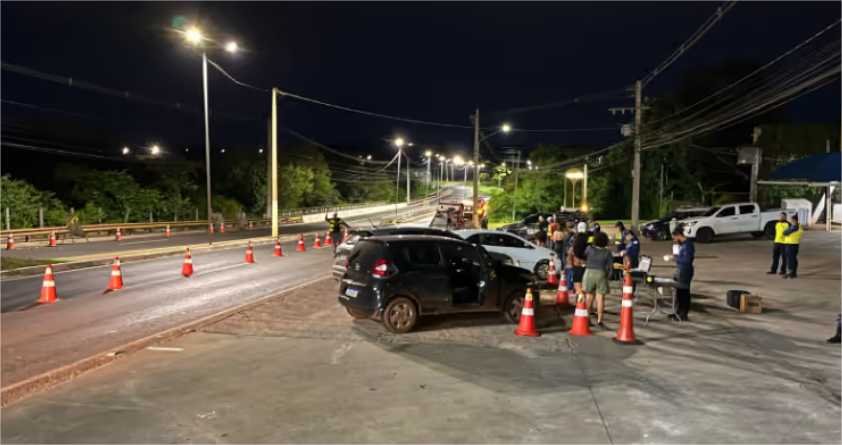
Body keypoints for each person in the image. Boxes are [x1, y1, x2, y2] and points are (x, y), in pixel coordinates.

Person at [583, 232, 613, 329]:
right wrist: (608, 276)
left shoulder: (589, 249)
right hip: (601, 273)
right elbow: (610, 266)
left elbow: (585, 255)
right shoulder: (607, 252)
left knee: (589, 296)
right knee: (600, 299)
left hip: (589, 273)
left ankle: (586, 319)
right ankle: (600, 320)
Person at [670, 226, 695, 321]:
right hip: (681, 270)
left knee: (684, 292)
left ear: (679, 235)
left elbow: (687, 260)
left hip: (685, 271)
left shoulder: (688, 245)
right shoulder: (683, 245)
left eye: (675, 238)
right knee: (679, 292)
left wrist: (674, 258)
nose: (675, 240)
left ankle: (683, 314)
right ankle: (677, 312)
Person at [568, 230, 589, 297]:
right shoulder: (588, 249)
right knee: (586, 290)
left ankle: (579, 304)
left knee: (578, 290)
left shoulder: (573, 249)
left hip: (576, 268)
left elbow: (569, 259)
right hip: (586, 269)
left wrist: (572, 267)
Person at [782, 214, 803, 279]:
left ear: (795, 220)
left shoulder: (796, 227)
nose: (791, 221)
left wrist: (787, 231)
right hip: (789, 244)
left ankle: (790, 272)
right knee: (793, 259)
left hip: (793, 244)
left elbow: (785, 233)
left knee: (791, 259)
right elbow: (785, 232)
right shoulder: (793, 226)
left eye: (792, 220)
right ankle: (793, 273)